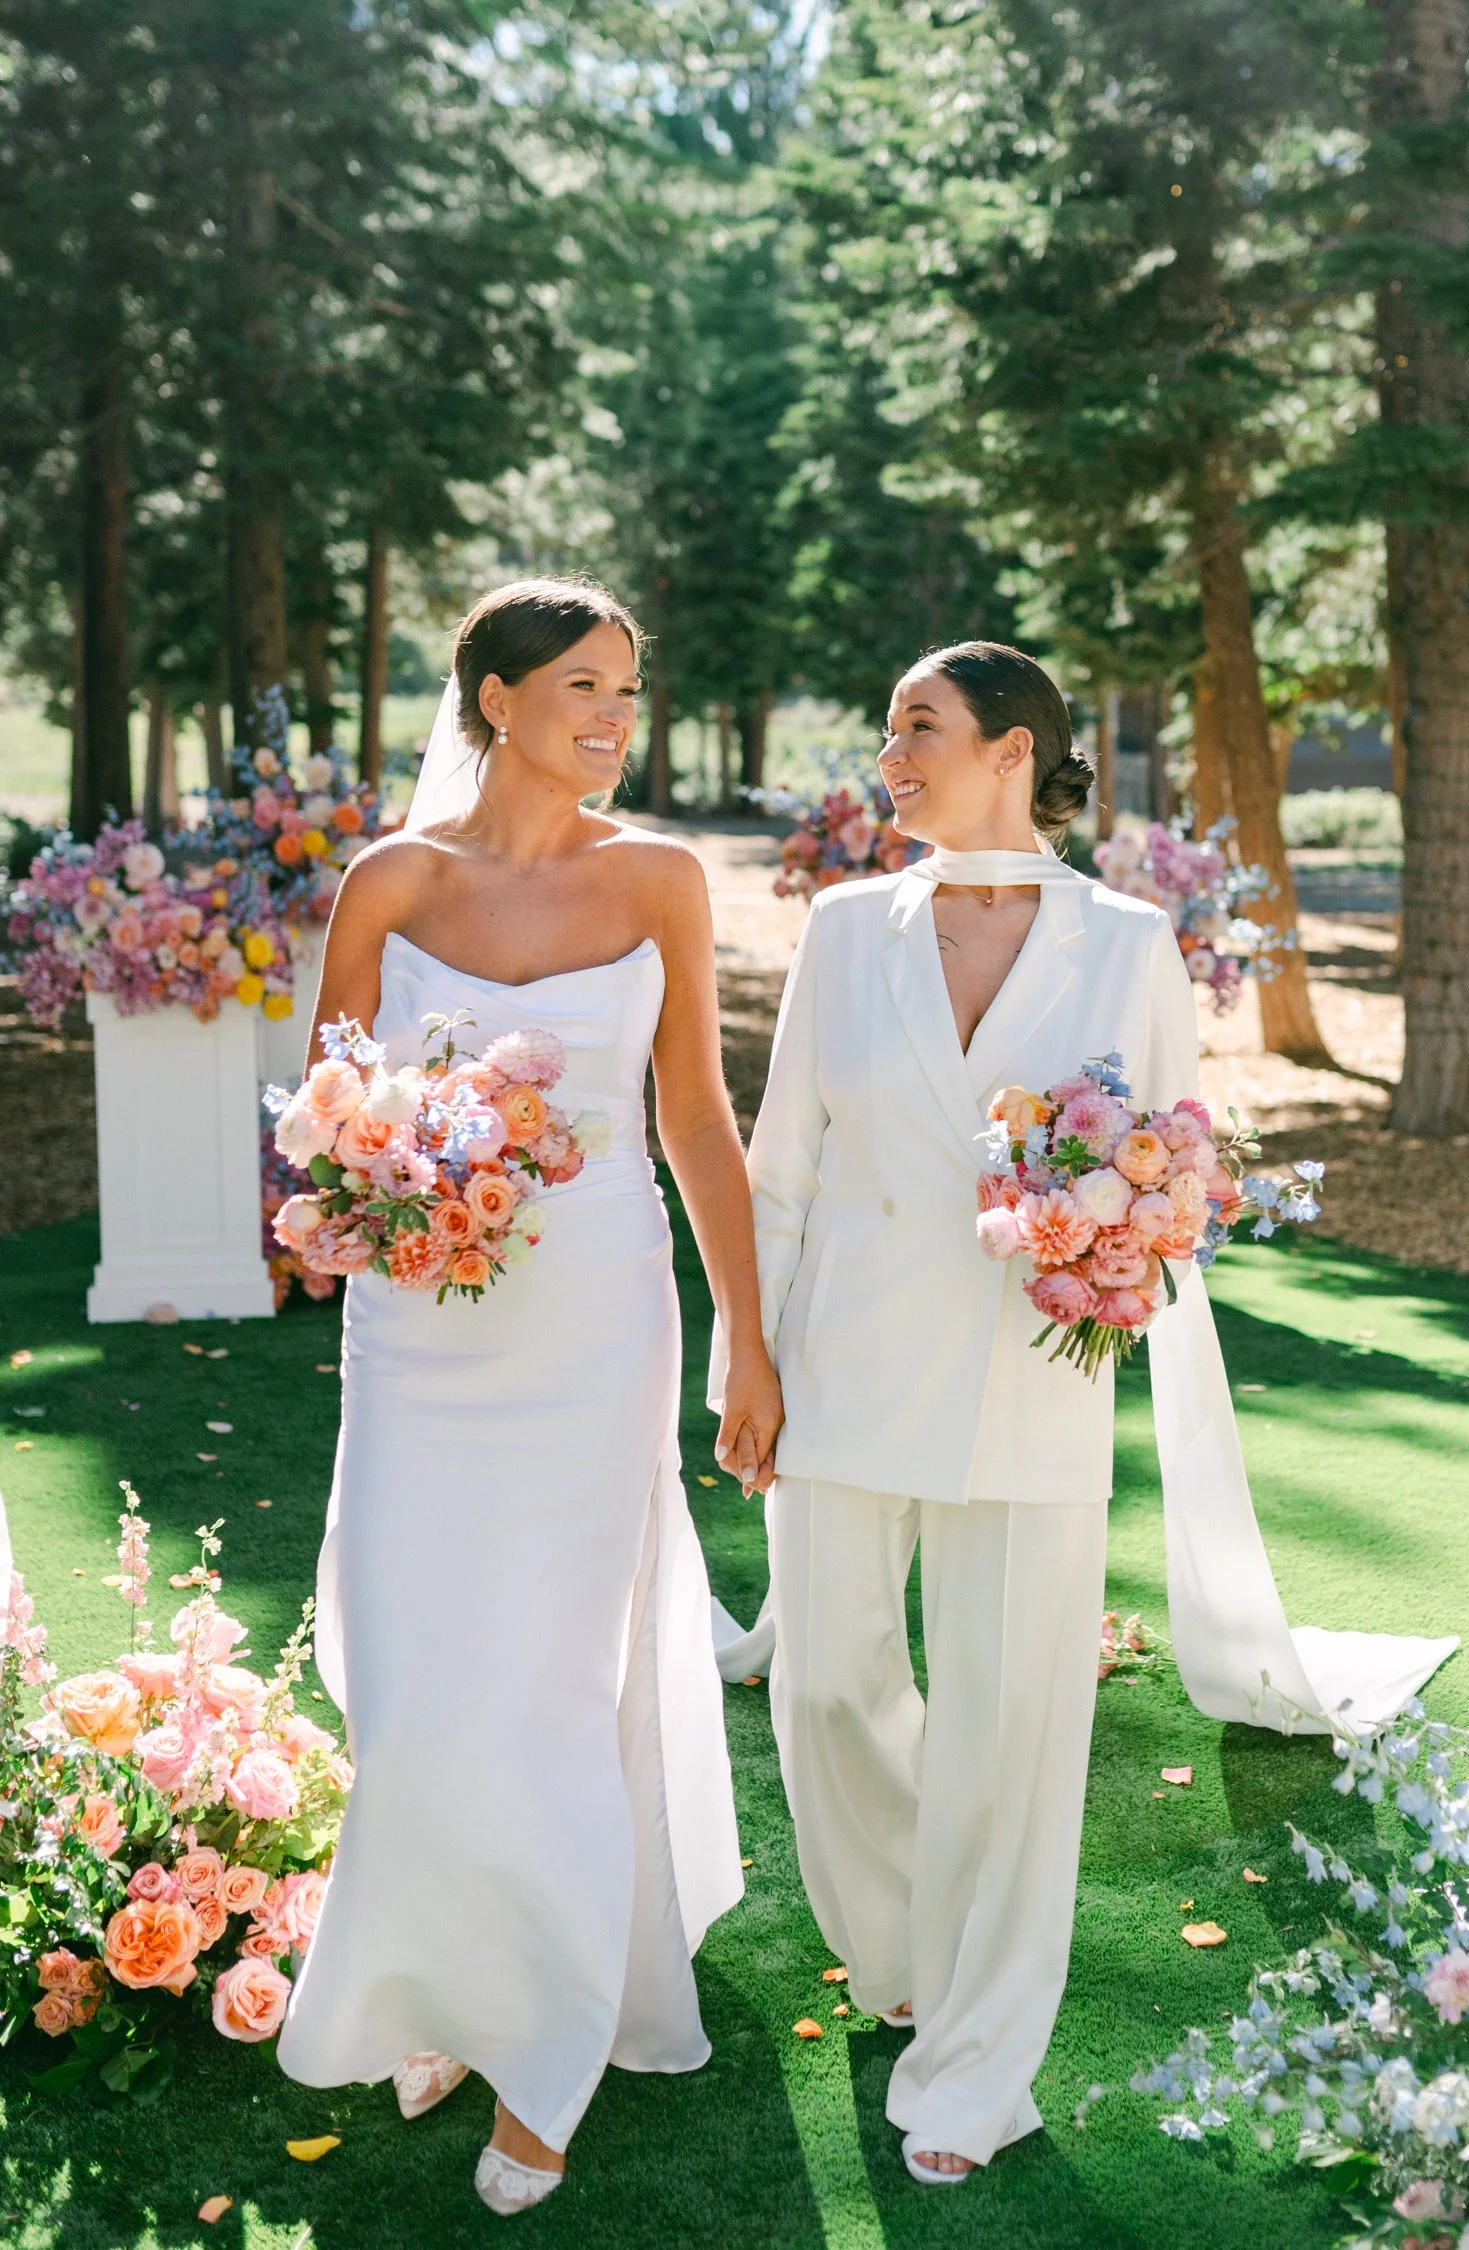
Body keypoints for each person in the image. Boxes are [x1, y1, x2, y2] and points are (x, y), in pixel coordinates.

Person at [719, 639, 1455, 2185]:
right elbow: (780, 1166)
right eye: (889, 727)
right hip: (841, 1362)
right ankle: (906, 1946)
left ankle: (975, 2064)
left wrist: (1117, 1226)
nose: (890, 755)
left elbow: (1176, 1170)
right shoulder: (847, 928)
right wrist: (748, 1358)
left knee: (1014, 1723)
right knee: (828, 1685)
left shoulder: (1127, 943)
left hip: (1030, 1378)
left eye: (918, 726)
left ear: (1015, 749)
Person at [277, 577, 783, 2216]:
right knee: (416, 1685)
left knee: (557, 1686)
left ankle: (548, 2053)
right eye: (583, 685)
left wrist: (747, 1333)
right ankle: (439, 1981)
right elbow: (327, 1114)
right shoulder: (390, 883)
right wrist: (358, 1196)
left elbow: (695, 1118)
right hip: (420, 1338)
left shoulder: (661, 879)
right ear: (495, 700)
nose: (616, 716)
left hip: (593, 1325)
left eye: (628, 688)